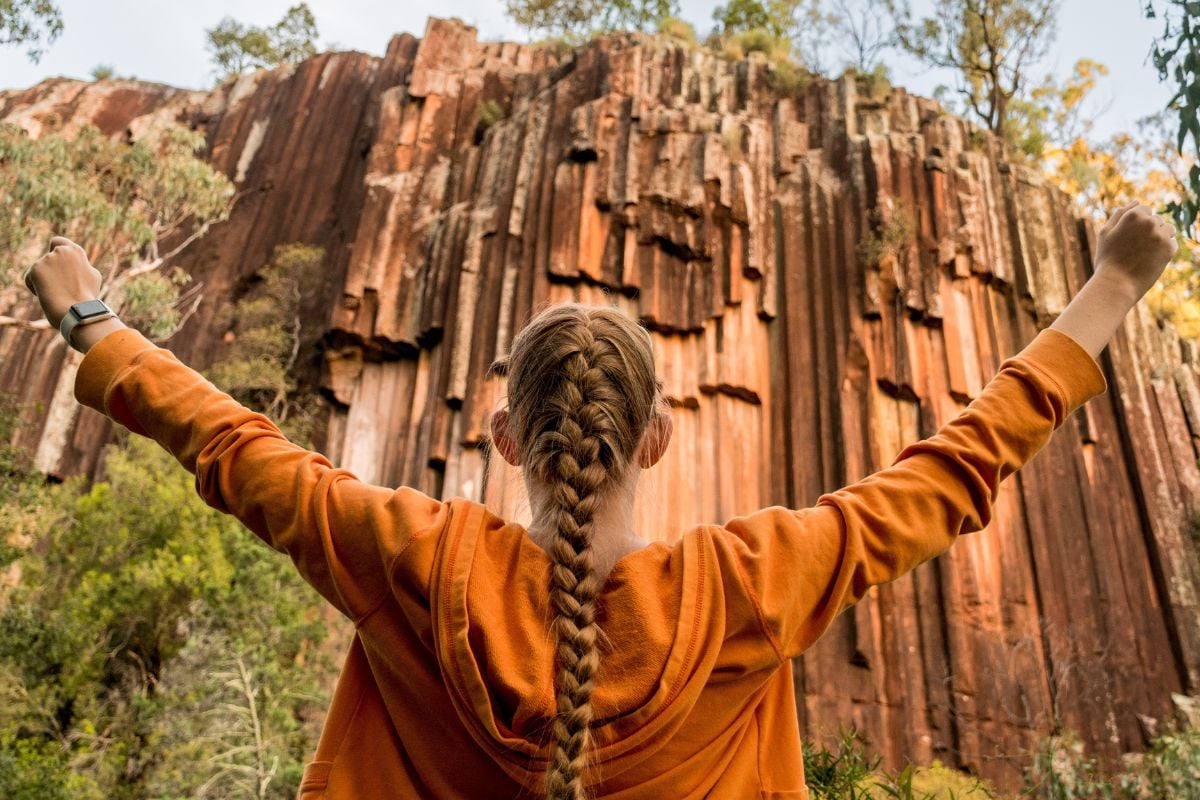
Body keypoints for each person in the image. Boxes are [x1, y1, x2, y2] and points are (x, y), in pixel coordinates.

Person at [20, 201, 1177, 799]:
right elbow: (956, 469)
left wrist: (92, 323)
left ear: (504, 433)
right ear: (661, 438)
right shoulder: (744, 588)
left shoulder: (411, 557)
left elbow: (235, 446)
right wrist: (1112, 288)